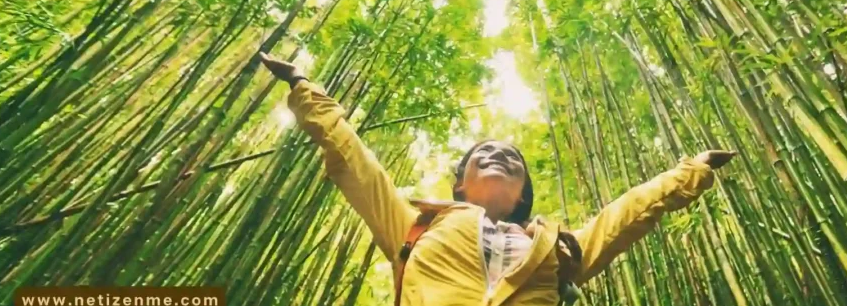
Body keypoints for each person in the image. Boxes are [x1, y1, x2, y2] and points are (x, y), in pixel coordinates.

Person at [258, 52, 736, 306]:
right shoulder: (413, 226)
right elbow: (353, 160)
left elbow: (628, 213)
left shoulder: (559, 250)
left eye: (511, 157)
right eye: (483, 153)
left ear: (523, 191)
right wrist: (304, 87)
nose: (497, 155)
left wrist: (692, 171)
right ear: (459, 184)